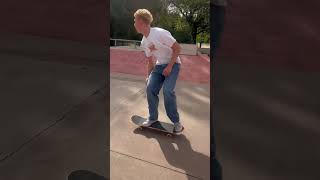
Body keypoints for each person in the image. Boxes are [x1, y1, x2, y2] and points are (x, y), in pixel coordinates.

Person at [133, 9, 184, 134]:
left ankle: (177, 123)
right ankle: (152, 117)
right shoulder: (144, 42)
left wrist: (170, 66)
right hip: (159, 66)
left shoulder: (160, 33)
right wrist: (148, 76)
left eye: (135, 21)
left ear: (143, 23)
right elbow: (150, 61)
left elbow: (177, 48)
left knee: (167, 90)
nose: (134, 24)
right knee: (150, 88)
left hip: (174, 64)